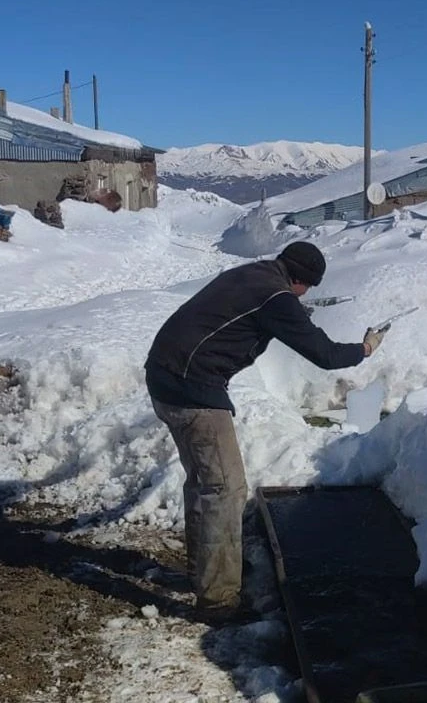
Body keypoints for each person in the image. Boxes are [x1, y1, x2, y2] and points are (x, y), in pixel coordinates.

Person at [144, 241, 385, 616]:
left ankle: (202, 573)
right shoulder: (276, 298)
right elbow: (324, 354)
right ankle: (219, 602)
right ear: (300, 281)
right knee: (225, 489)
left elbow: (247, 311)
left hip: (165, 376)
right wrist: (365, 349)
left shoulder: (252, 274)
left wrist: (291, 311)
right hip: (192, 387)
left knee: (205, 483)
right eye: (309, 287)